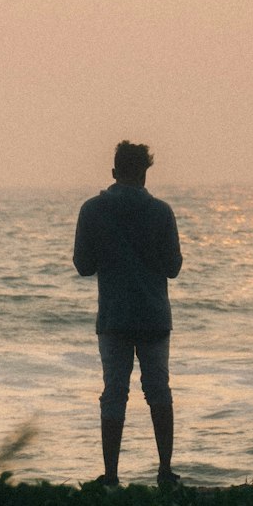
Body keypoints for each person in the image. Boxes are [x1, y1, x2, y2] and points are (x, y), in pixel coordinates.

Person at [73, 140, 183, 487]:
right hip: (153, 315)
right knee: (158, 391)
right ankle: (165, 472)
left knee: (114, 394)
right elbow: (173, 268)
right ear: (145, 174)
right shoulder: (161, 212)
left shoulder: (92, 210)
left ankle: (112, 477)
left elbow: (83, 266)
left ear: (114, 172)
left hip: (114, 317)